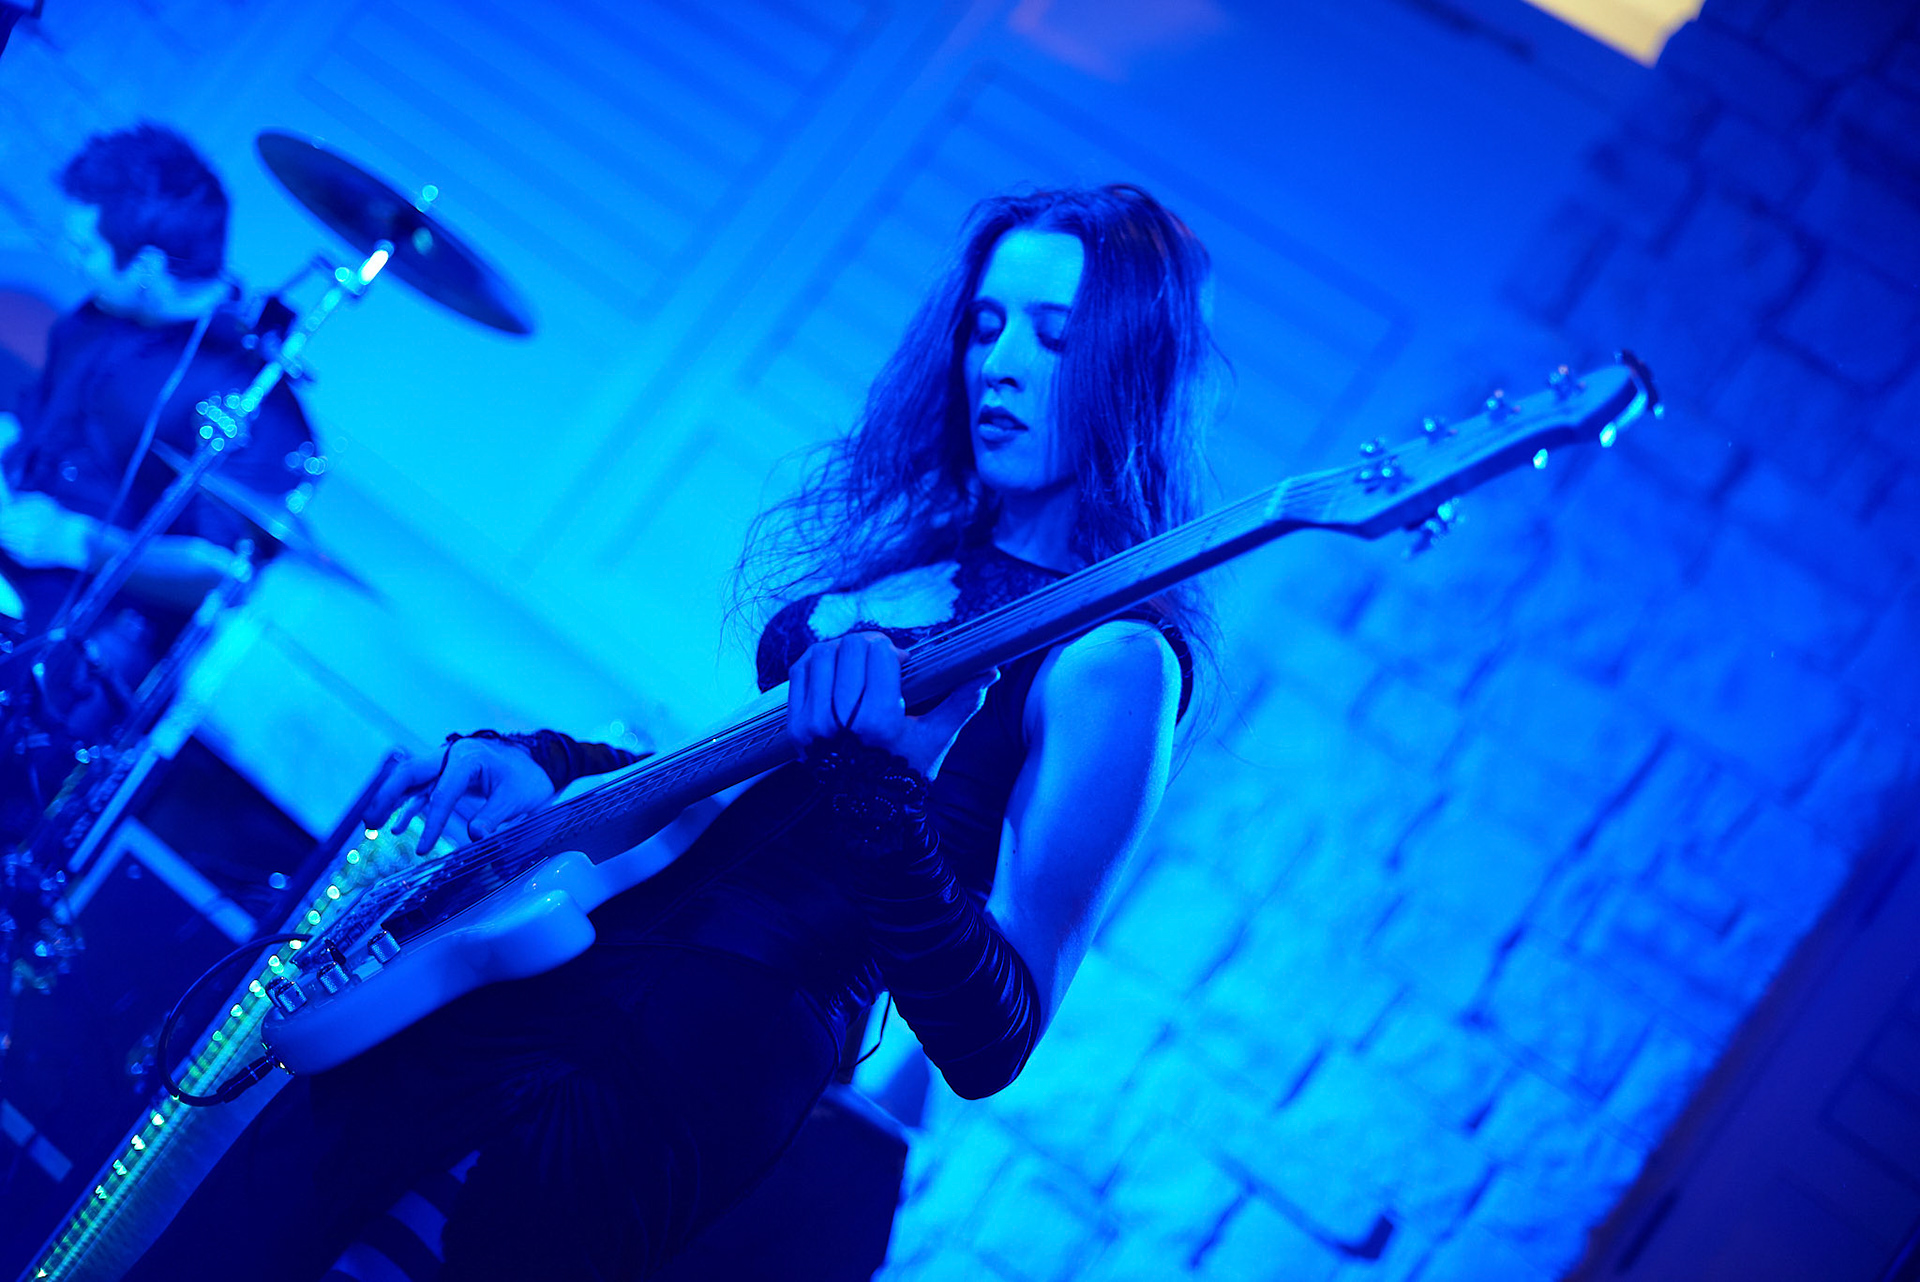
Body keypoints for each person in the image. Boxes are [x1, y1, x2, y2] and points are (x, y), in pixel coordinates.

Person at [125, 183, 1219, 1281]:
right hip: (555, 955)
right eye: (985, 325)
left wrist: (885, 804)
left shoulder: (1116, 658)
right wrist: (548, 762)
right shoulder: (918, 565)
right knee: (254, 1224)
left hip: (693, 1054)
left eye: (1055, 335)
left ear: (1130, 365)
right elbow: (726, 787)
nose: (1002, 365)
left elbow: (995, 1036)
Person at [0, 123, 315, 832]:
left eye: (85, 248)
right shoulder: (99, 314)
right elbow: (37, 420)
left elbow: (218, 572)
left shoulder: (251, 402)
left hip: (73, 648)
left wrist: (74, 540)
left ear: (145, 264)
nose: (71, 260)